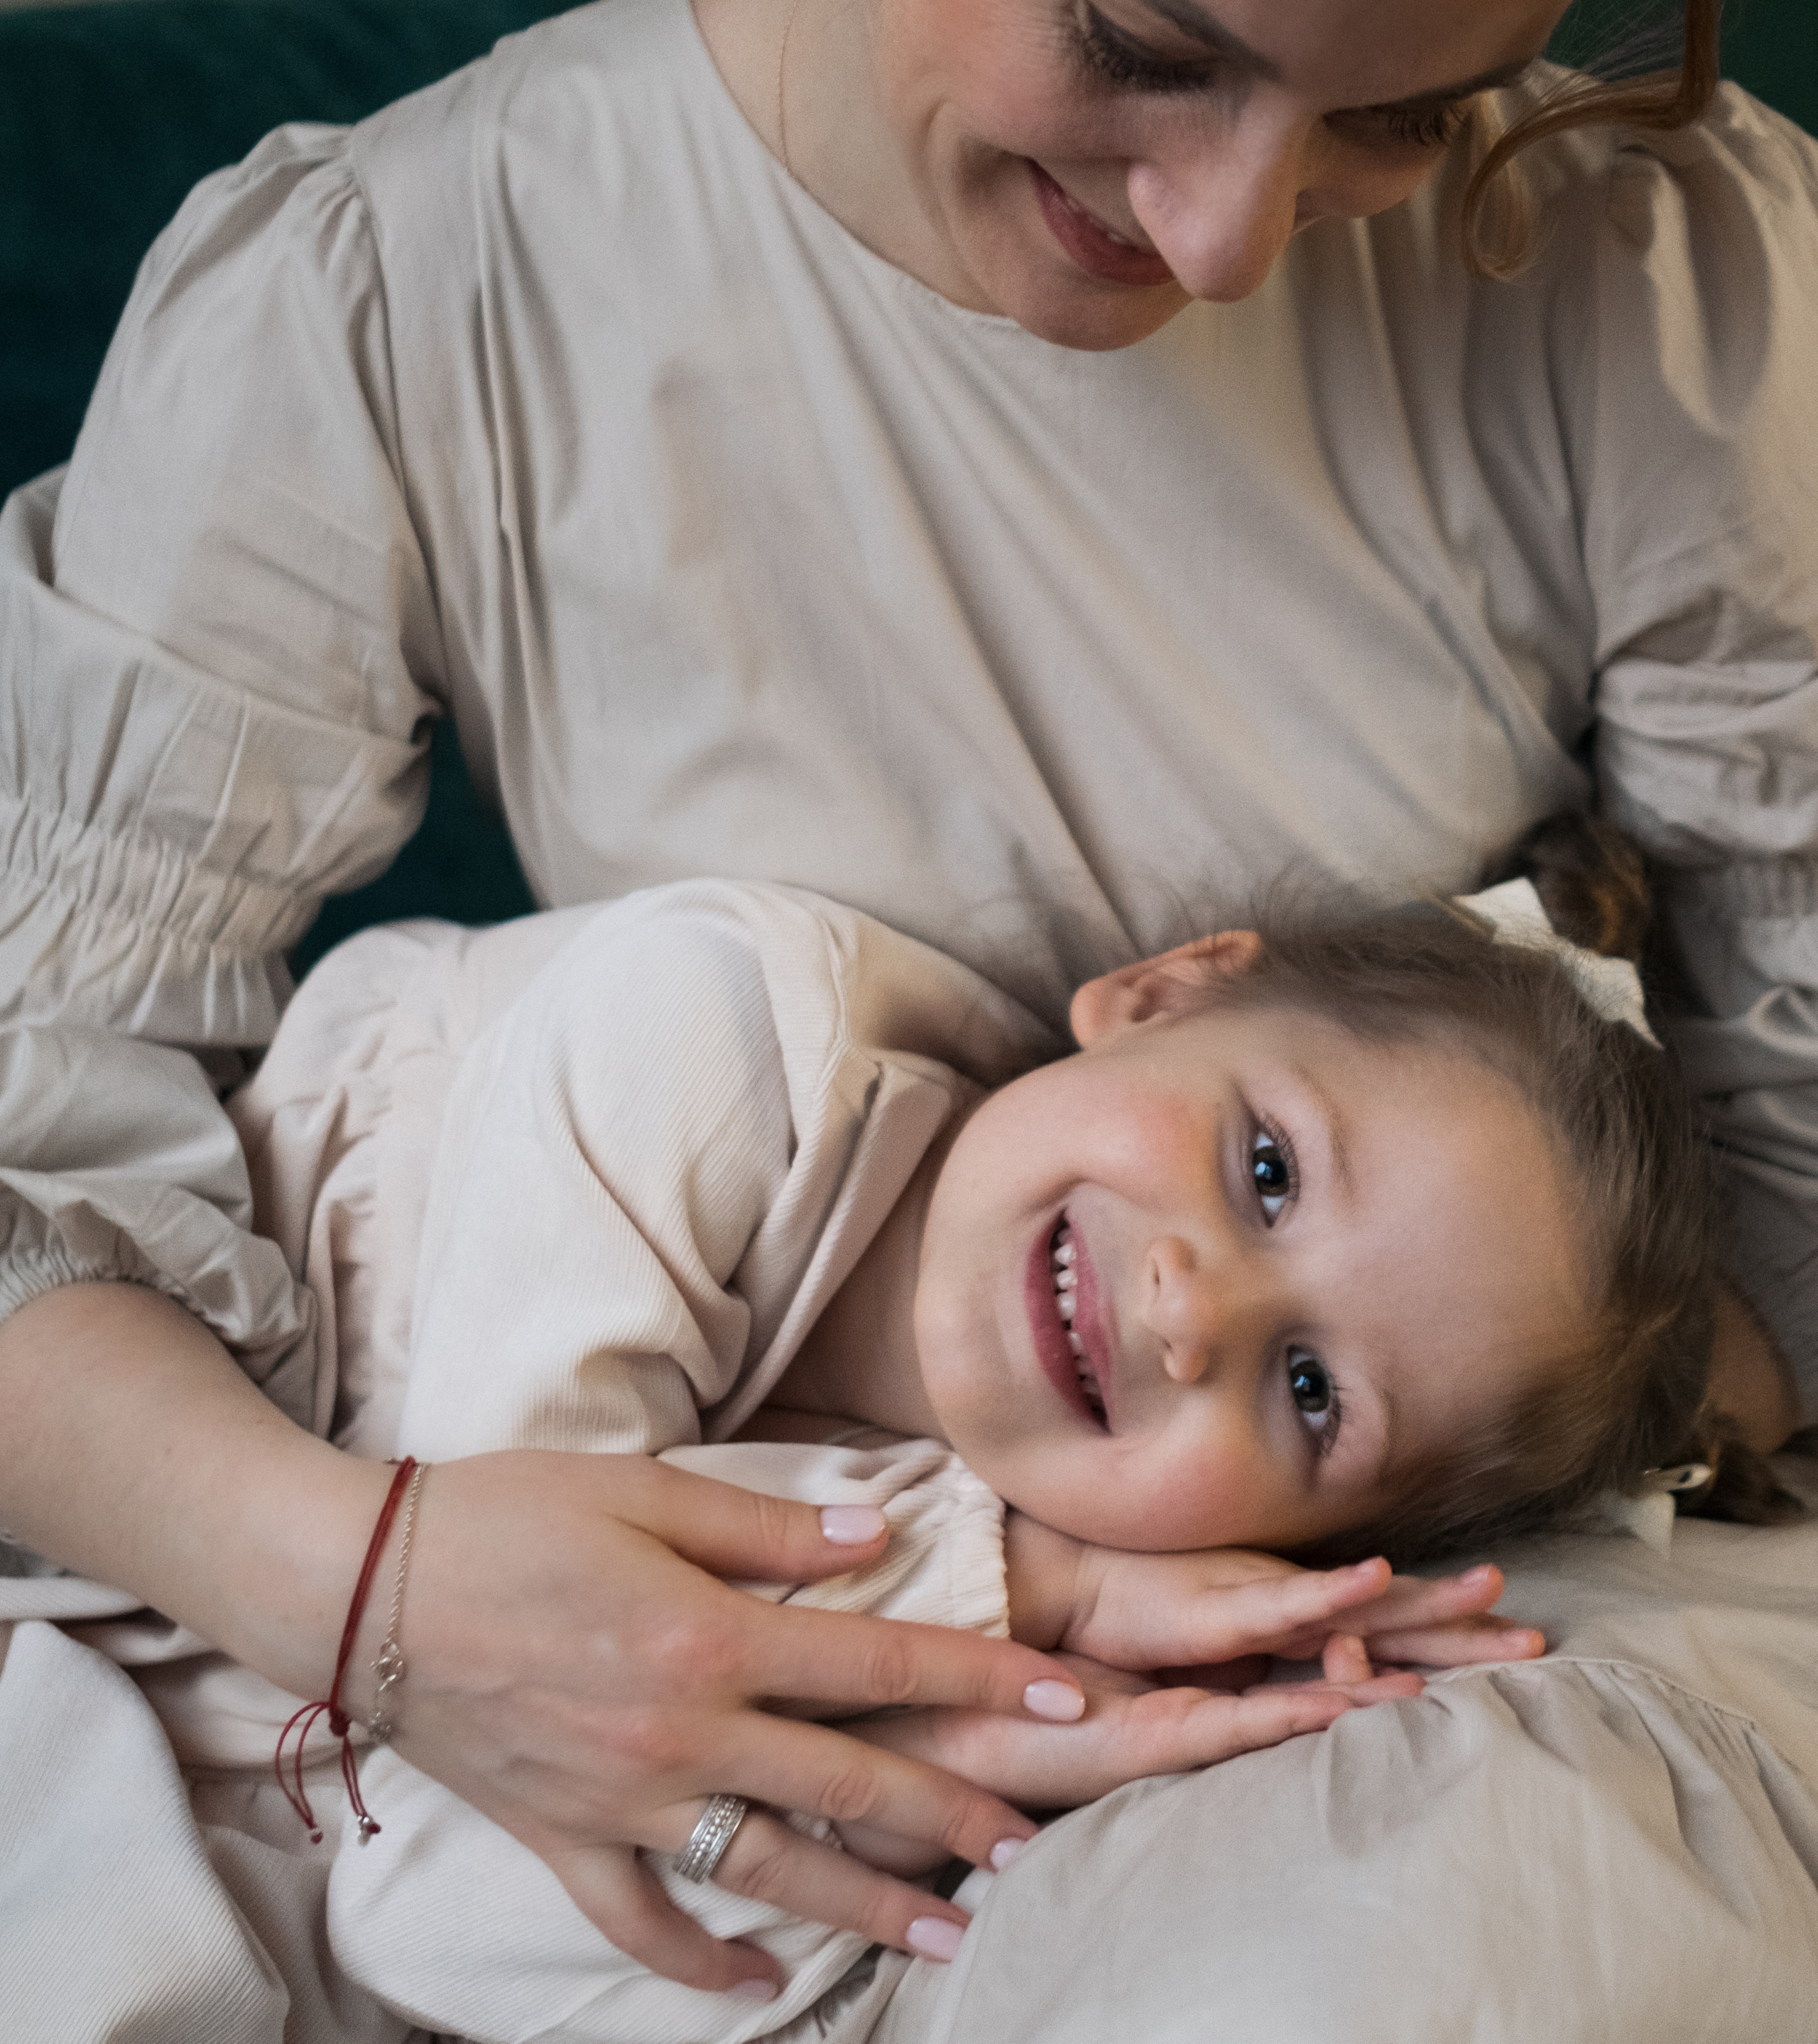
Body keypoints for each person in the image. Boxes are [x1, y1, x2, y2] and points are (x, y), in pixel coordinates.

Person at [1, 0, 1812, 2026]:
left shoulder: (1665, 290)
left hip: (1465, 1611)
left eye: (1401, 108)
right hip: (699, 1596)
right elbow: (34, 1152)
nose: (1226, 236)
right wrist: (386, 1599)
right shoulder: (399, 302)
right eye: (1141, 41)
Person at [56, 826, 1761, 2044]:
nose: (1192, 1311)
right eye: (1263, 1169)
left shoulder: (957, 1615)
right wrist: (1009, 1590)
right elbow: (504, 1647)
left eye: (1309, 1392)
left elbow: (431, 1919)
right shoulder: (710, 1032)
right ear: (1164, 993)